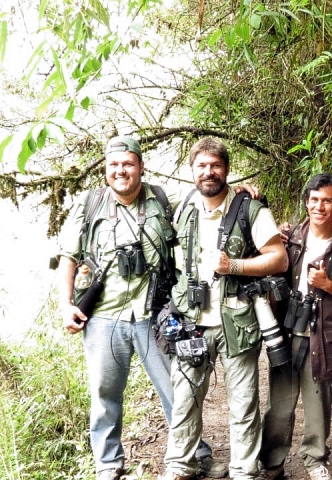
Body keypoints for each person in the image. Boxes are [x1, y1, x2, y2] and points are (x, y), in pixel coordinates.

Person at [57, 136, 222, 480]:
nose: (121, 171)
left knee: (177, 389)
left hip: (153, 315)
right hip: (104, 316)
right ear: (106, 169)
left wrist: (240, 191)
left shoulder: (163, 198)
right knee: (104, 394)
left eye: (128, 164)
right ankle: (108, 464)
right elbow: (68, 257)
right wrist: (65, 304)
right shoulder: (89, 204)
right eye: (115, 165)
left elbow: (207, 194)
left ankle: (194, 454)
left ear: (141, 168)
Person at [160, 137, 289, 480]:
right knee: (185, 396)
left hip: (238, 319)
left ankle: (244, 469)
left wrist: (234, 266)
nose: (208, 172)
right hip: (192, 321)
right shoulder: (182, 208)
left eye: (215, 165)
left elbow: (279, 258)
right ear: (191, 171)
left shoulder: (250, 209)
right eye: (201, 166)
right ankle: (179, 465)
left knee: (243, 402)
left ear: (227, 170)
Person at [260, 173, 332, 480]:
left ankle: (314, 458)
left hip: (323, 337)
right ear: (306, 202)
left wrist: (329, 286)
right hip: (288, 333)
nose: (319, 207)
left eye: (327, 200)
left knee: (319, 405)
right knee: (279, 404)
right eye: (314, 200)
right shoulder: (289, 239)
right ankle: (272, 462)